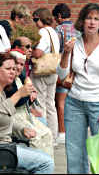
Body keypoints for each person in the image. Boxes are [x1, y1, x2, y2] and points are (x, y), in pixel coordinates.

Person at [56, 3, 99, 174]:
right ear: (82, 21)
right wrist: (65, 52)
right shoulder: (75, 42)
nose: (92, 23)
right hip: (75, 103)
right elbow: (63, 75)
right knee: (75, 153)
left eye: (96, 19)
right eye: (88, 18)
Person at [0, 52, 54, 173]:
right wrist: (18, 94)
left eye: (14, 69)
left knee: (43, 155)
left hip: (0, 147)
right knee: (46, 163)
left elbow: (3, 119)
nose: (13, 72)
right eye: (8, 68)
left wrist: (21, 129)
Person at [8, 49, 54, 158]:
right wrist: (27, 94)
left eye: (21, 64)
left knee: (47, 133)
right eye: (16, 64)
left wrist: (30, 93)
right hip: (14, 117)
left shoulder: (19, 77)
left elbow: (26, 86)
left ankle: (47, 165)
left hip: (24, 114)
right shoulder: (8, 80)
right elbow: (14, 103)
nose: (18, 67)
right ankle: (40, 164)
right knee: (37, 137)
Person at [31, 8, 60, 146]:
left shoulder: (43, 32)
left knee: (40, 103)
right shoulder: (53, 32)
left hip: (41, 70)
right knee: (51, 104)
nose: (35, 23)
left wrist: (30, 52)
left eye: (36, 19)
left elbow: (38, 53)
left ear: (42, 18)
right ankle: (54, 137)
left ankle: (44, 136)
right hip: (53, 70)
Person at [52, 3, 78, 145]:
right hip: (77, 67)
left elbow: (56, 51)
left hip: (64, 65)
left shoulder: (58, 30)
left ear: (59, 16)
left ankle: (62, 132)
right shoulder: (78, 29)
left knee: (60, 102)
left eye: (56, 18)